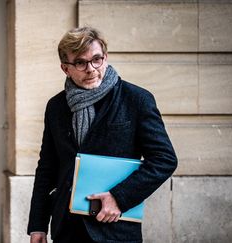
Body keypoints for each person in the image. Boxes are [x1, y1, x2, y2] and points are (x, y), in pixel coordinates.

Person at [27, 27, 178, 243]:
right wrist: (37, 225)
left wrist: (119, 198)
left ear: (105, 58)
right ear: (65, 68)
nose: (91, 69)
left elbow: (165, 160)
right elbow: (47, 168)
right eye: (80, 62)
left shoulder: (136, 99)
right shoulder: (56, 107)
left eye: (96, 59)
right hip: (66, 228)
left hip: (115, 228)